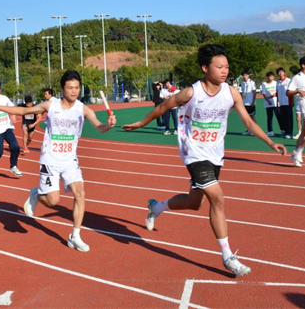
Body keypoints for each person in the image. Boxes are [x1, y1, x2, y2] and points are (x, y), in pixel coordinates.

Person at [123, 44, 286, 277]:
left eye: (226, 66)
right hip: (193, 152)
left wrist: (270, 143)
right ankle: (228, 256)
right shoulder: (192, 92)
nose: (224, 70)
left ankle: (156, 207)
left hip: (215, 153)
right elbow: (164, 106)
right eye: (219, 67)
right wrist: (141, 123)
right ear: (205, 68)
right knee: (217, 198)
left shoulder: (231, 93)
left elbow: (249, 122)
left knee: (194, 202)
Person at [0, 70, 117, 252]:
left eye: (77, 88)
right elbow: (24, 110)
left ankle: (75, 236)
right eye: (70, 87)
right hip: (50, 159)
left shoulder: (83, 109)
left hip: (70, 159)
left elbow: (100, 127)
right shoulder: (51, 105)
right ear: (62, 88)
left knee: (80, 193)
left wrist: (109, 125)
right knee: (53, 200)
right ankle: (36, 195)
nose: (74, 91)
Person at [260, 72, 279, 137]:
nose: (271, 77)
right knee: (269, 117)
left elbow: (277, 92)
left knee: (279, 116)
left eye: (272, 76)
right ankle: (270, 131)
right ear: (267, 77)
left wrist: (271, 97)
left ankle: (283, 130)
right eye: (270, 76)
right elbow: (264, 93)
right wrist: (268, 100)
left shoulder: (275, 83)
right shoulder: (264, 84)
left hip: (276, 103)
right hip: (268, 104)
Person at [276, 68, 293, 139]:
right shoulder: (277, 82)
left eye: (281, 72)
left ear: (284, 72)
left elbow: (291, 91)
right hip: (281, 103)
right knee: (283, 118)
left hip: (287, 102)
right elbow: (277, 93)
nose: (280, 73)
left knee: (289, 118)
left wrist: (292, 101)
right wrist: (277, 102)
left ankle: (290, 133)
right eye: (279, 72)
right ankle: (285, 131)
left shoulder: (288, 80)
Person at [240, 71, 256, 135]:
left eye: (246, 75)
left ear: (248, 75)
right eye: (243, 75)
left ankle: (254, 130)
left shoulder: (252, 82)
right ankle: (249, 130)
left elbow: (254, 92)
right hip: (245, 102)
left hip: (250, 102)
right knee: (246, 117)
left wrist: (253, 102)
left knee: (252, 116)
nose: (245, 76)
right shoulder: (243, 83)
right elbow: (243, 92)